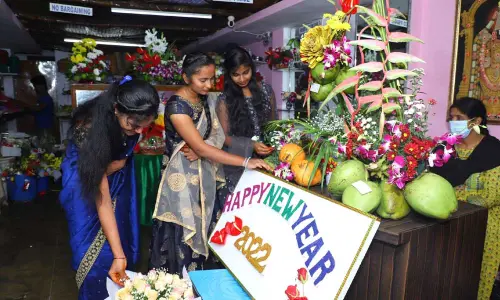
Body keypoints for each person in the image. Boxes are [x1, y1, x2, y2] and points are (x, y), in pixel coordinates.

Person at [150, 52, 271, 275]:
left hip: (204, 177)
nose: (209, 85)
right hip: (181, 182)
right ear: (186, 78)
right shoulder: (177, 107)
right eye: (202, 80)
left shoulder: (204, 98)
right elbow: (203, 148)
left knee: (208, 231)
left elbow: (217, 136)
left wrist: (201, 149)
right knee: (184, 235)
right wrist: (245, 161)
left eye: (212, 79)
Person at [59, 77, 160, 300]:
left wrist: (119, 163)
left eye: (144, 126)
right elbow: (101, 198)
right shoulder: (89, 128)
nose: (138, 131)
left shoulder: (132, 115)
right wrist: (118, 255)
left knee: (123, 233)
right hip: (86, 181)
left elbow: (124, 147)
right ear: (116, 110)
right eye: (133, 125)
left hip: (118, 176)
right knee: (94, 256)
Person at [431, 97, 500, 300]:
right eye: (451, 117)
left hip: (484, 229)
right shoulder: (446, 148)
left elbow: (489, 197)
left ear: (477, 122)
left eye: (459, 117)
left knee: (475, 280)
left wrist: (447, 193)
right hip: (447, 224)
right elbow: (431, 180)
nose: (453, 122)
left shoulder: (494, 151)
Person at [216, 46, 276, 194]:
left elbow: (274, 125)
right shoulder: (225, 100)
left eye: (246, 72)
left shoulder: (266, 91)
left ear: (252, 69)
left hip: (268, 160)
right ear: (229, 75)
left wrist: (273, 144)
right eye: (236, 75)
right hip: (238, 164)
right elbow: (224, 138)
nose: (242, 79)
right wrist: (251, 145)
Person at [31, 75, 55, 149]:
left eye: (35, 85)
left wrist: (26, 106)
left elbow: (38, 108)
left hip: (45, 126)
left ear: (41, 85)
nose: (35, 88)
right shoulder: (41, 96)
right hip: (41, 125)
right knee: (42, 145)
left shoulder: (46, 97)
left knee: (45, 145)